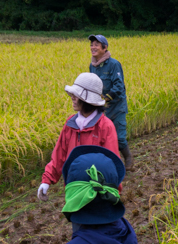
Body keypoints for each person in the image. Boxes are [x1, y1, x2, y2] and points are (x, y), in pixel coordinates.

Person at [37, 73, 119, 202]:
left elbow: (112, 163)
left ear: (87, 100)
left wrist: (114, 193)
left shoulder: (105, 126)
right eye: (73, 95)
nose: (72, 98)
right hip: (73, 190)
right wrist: (46, 181)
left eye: (77, 96)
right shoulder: (70, 124)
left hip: (97, 193)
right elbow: (59, 155)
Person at [88, 34, 134, 171]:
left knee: (119, 138)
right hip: (102, 108)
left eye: (96, 44)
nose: (93, 47)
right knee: (103, 139)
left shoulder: (114, 64)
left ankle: (129, 158)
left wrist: (105, 98)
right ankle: (111, 165)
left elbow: (119, 87)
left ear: (104, 48)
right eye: (91, 45)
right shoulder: (92, 66)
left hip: (117, 106)